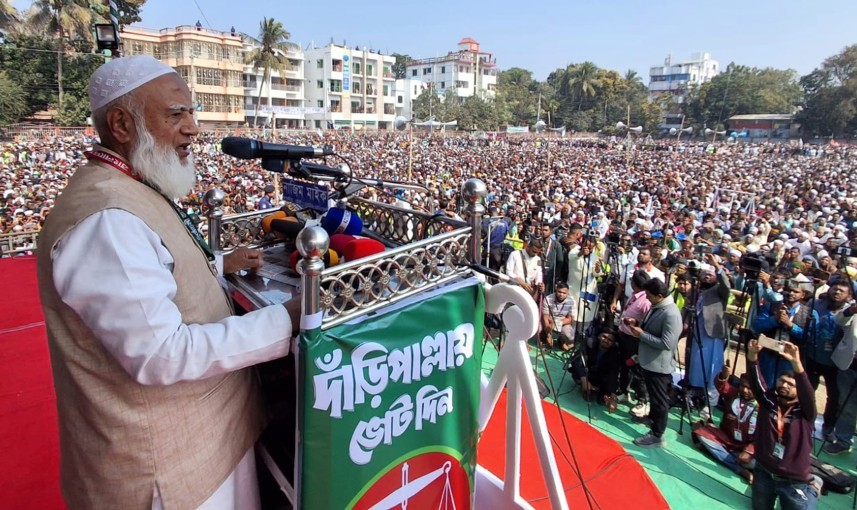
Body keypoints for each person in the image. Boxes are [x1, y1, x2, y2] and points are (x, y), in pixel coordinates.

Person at [36, 55, 301, 509]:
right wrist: (287, 318)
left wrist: (217, 266)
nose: (193, 128)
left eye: (192, 112)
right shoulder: (107, 219)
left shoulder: (128, 185)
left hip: (204, 445)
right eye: (176, 114)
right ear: (121, 124)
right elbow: (161, 355)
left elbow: (151, 279)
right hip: (165, 473)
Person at [746, 340, 821, 510]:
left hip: (794, 482)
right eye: (782, 380)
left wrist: (796, 362)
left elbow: (808, 394)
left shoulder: (805, 412)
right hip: (764, 473)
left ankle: (815, 487)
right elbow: (756, 382)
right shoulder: (768, 402)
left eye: (791, 384)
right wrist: (752, 355)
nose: (784, 385)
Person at [624, 278, 683, 448]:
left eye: (649, 296)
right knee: (653, 397)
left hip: (659, 366)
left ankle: (657, 434)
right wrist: (636, 324)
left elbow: (667, 343)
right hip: (649, 362)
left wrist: (641, 334)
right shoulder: (657, 307)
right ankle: (652, 420)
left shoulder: (671, 314)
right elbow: (650, 327)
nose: (647, 298)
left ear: (660, 295)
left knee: (659, 401)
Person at [692, 362, 758, 484]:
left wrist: (749, 451)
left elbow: (763, 437)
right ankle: (739, 469)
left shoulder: (763, 407)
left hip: (746, 448)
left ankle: (722, 456)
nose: (744, 390)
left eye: (749, 388)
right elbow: (721, 385)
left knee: (756, 463)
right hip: (726, 439)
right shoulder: (734, 394)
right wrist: (724, 374)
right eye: (743, 386)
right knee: (701, 433)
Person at [688, 254, 732, 419]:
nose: (707, 276)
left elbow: (726, 284)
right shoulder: (696, 290)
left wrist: (717, 265)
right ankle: (695, 395)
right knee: (695, 366)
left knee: (712, 369)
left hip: (712, 335)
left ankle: (710, 404)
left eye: (711, 273)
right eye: (704, 273)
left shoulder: (720, 291)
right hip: (697, 333)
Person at [570, 328, 623, 411]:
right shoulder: (589, 344)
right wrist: (584, 378)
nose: (606, 340)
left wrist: (612, 394)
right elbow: (575, 361)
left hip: (600, 376)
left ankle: (600, 393)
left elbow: (613, 374)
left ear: (613, 344)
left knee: (601, 399)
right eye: (604, 337)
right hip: (586, 373)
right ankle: (585, 386)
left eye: (610, 340)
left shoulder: (615, 354)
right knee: (577, 373)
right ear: (599, 336)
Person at [540, 281, 575, 350]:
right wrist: (548, 334)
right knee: (539, 328)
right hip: (549, 321)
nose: (561, 294)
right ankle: (544, 336)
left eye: (564, 293)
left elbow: (571, 319)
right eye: (559, 292)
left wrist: (556, 322)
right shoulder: (548, 299)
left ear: (567, 293)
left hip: (561, 321)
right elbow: (545, 317)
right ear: (556, 291)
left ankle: (561, 340)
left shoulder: (572, 301)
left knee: (570, 336)